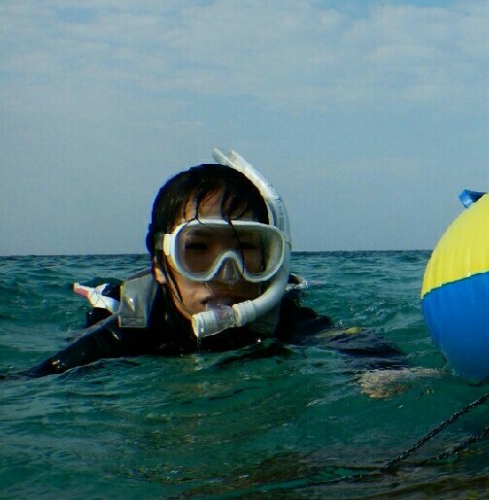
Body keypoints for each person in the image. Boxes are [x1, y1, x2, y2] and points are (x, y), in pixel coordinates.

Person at [25, 150, 408, 383]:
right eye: (198, 249)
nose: (226, 271)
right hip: (135, 302)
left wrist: (382, 373)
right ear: (161, 261)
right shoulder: (131, 333)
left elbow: (353, 343)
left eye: (245, 249)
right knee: (109, 302)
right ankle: (105, 293)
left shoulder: (282, 319)